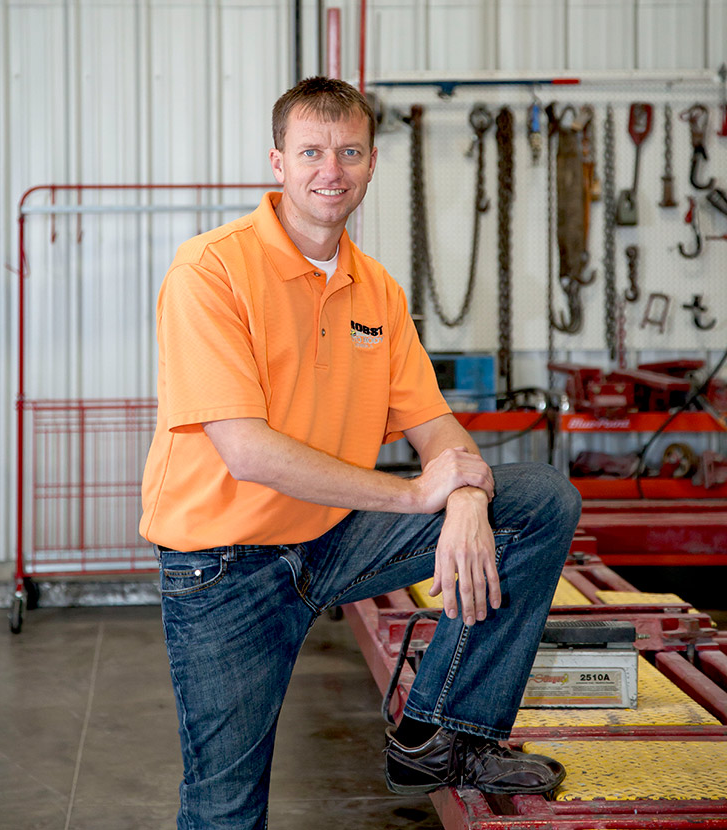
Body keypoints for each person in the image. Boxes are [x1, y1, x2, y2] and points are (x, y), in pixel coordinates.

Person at [140, 76, 582, 830]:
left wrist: (468, 497)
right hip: (226, 565)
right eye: (310, 150)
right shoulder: (210, 272)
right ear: (276, 162)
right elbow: (246, 451)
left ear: (373, 163)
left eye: (348, 151)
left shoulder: (375, 290)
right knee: (225, 808)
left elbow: (434, 424)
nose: (330, 170)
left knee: (538, 501)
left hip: (332, 535)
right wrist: (420, 497)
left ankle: (442, 734)